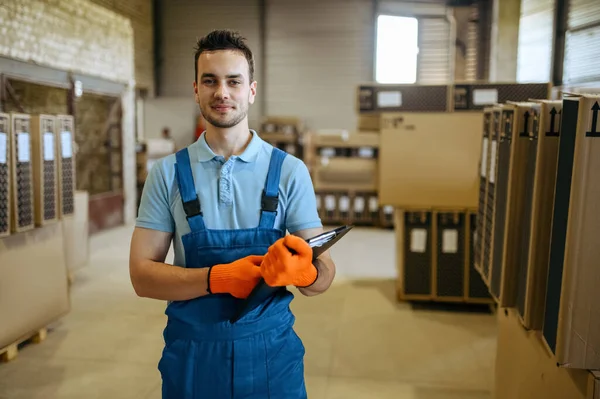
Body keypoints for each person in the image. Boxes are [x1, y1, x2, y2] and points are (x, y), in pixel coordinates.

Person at [129, 29, 336, 398]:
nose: (221, 92)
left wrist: (306, 273)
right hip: (193, 359)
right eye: (210, 81)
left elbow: (324, 276)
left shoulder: (289, 171)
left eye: (233, 81)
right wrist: (218, 278)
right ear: (196, 90)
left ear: (251, 91)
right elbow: (142, 277)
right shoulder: (168, 174)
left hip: (272, 357)